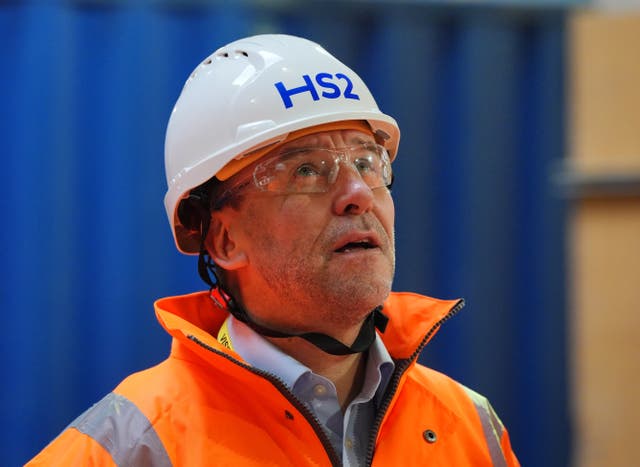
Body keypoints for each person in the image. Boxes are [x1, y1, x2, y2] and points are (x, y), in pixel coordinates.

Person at [28, 34, 519, 466]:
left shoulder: (470, 426)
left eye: (368, 163)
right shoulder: (134, 446)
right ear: (223, 239)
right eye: (305, 170)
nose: (358, 195)